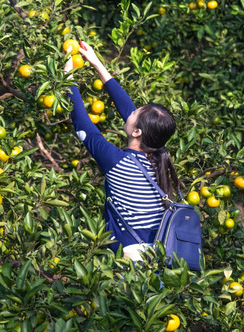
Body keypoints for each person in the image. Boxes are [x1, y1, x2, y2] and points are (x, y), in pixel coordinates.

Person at [63, 41, 180, 261]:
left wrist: (66, 77)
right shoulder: (158, 155)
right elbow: (128, 109)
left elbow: (82, 124)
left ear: (137, 132)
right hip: (158, 254)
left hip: (129, 259)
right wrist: (96, 62)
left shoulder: (117, 163)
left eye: (136, 112)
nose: (131, 111)